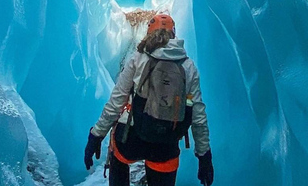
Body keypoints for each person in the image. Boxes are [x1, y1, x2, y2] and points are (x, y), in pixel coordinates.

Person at [84, 13, 214, 186]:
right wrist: (204, 155)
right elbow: (198, 116)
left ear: (149, 32)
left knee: (118, 155)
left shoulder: (138, 58)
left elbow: (117, 101)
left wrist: (96, 135)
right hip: (166, 145)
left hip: (131, 140)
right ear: (174, 34)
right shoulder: (188, 66)